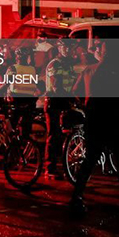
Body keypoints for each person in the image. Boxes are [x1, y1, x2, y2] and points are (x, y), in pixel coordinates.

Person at [70, 39, 119, 215]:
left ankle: (77, 197)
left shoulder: (90, 70)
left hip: (95, 120)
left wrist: (86, 105)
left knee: (89, 160)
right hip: (116, 121)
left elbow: (75, 90)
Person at [44, 39, 77, 178]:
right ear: (59, 48)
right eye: (66, 47)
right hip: (54, 102)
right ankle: (49, 168)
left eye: (70, 48)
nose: (69, 50)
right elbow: (57, 86)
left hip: (64, 101)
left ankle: (64, 162)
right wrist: (71, 99)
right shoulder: (55, 64)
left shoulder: (68, 65)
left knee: (67, 134)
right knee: (54, 135)